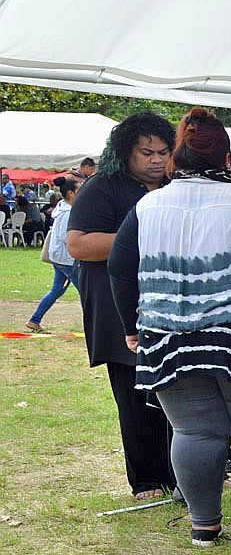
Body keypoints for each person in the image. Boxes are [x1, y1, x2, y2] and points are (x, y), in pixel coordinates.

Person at [106, 108, 231, 547]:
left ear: (176, 159)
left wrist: (131, 325)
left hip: (169, 336)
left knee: (194, 431)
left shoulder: (147, 206)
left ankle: (204, 527)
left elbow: (120, 271)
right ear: (227, 157)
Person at [67, 111, 178, 501]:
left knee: (178, 391)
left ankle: (183, 473)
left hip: (170, 307)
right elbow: (77, 244)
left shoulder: (174, 186)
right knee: (134, 397)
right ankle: (145, 480)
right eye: (146, 152)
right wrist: (138, 237)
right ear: (125, 151)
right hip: (118, 309)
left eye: (164, 151)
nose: (156, 159)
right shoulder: (103, 187)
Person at [26, 177, 80, 332]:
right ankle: (96, 326)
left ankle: (34, 320)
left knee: (56, 290)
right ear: (71, 194)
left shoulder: (62, 209)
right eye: (79, 190)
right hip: (66, 259)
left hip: (60, 257)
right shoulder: (67, 213)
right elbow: (66, 237)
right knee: (87, 294)